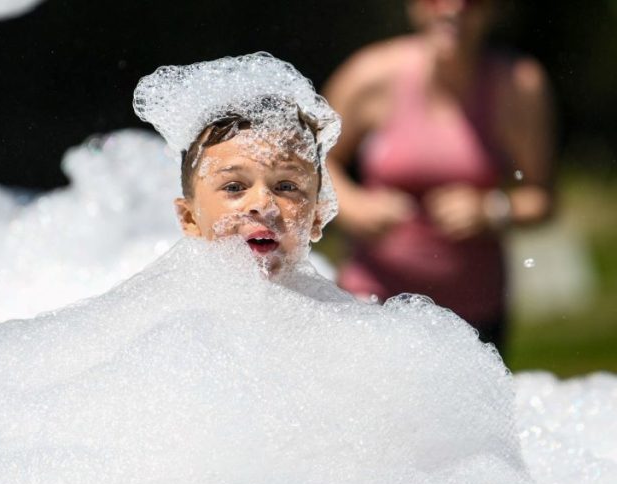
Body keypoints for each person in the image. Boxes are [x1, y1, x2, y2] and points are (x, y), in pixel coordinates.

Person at [322, 0, 555, 352]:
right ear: (414, 6)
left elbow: (542, 197)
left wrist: (493, 209)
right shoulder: (372, 73)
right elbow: (310, 161)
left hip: (473, 315)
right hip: (371, 300)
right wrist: (354, 206)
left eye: (471, 2)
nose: (452, 10)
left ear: (493, 9)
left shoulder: (518, 85)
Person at [133, 53, 342, 278]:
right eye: (234, 187)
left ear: (317, 216)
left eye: (286, 186)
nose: (263, 204)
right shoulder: (168, 308)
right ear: (189, 218)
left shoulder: (338, 311)